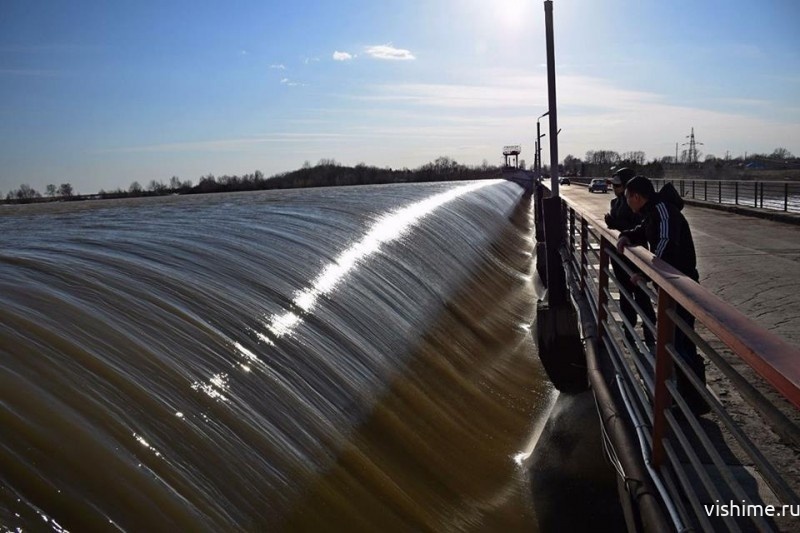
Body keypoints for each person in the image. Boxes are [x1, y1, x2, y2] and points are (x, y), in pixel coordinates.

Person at [616, 176, 709, 415]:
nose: (627, 203)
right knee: (676, 342)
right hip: (671, 287)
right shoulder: (652, 212)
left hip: (682, 287)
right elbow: (644, 231)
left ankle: (695, 401)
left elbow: (666, 243)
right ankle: (690, 398)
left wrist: (647, 273)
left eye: (628, 197)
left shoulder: (664, 210)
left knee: (681, 343)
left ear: (636, 196)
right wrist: (627, 235)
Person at [603, 168, 656, 350]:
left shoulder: (635, 204)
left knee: (641, 293)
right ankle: (629, 328)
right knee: (624, 293)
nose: (614, 188)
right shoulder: (615, 202)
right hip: (620, 256)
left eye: (618, 185)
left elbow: (638, 227)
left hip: (635, 255)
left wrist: (615, 224)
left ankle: (649, 329)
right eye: (614, 185)